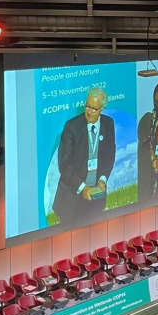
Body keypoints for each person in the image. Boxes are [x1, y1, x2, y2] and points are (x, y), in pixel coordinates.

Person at [53, 87, 115, 223]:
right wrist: (83, 187)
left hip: (95, 200)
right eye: (87, 106)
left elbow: (109, 155)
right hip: (71, 200)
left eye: (94, 109)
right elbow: (65, 165)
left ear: (102, 109)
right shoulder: (72, 127)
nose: (89, 112)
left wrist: (103, 179)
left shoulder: (108, 124)